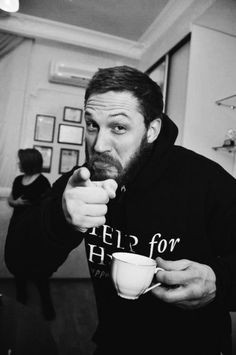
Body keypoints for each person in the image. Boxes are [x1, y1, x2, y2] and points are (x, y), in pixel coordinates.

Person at [14, 66, 236, 354]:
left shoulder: (204, 179)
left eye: (118, 127)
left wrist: (220, 281)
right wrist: (60, 219)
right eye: (92, 125)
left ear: (151, 130)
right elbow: (20, 262)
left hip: (197, 345)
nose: (99, 144)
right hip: (113, 342)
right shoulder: (80, 182)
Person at [4, 148, 56, 321]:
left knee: (39, 271)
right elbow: (10, 199)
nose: (18, 163)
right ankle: (21, 303)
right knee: (19, 268)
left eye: (20, 161)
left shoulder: (42, 182)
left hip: (34, 233)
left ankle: (47, 309)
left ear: (29, 162)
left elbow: (49, 208)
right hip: (17, 229)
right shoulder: (19, 179)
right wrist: (15, 202)